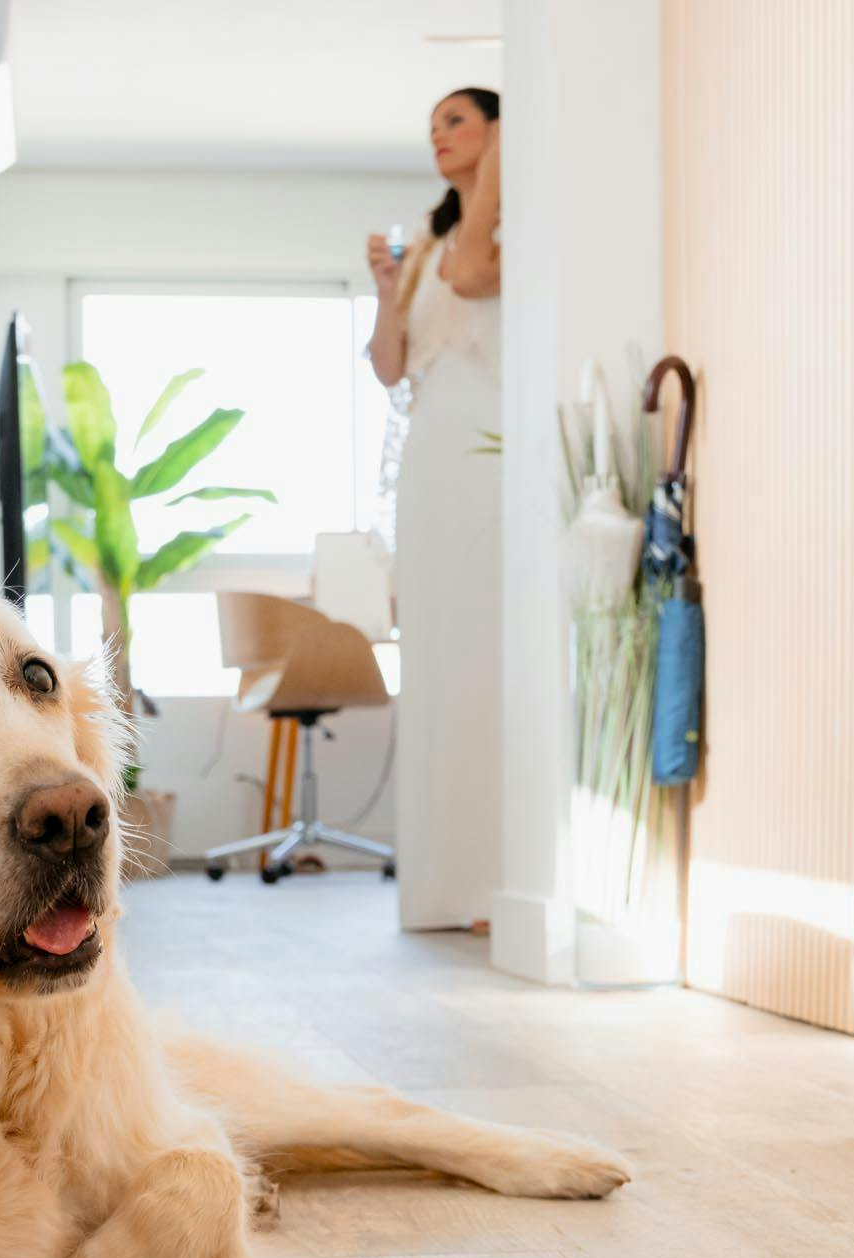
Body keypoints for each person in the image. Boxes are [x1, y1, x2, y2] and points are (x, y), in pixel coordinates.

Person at [369, 87, 501, 932]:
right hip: (431, 455)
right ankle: (445, 885)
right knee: (441, 651)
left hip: (492, 445)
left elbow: (473, 273)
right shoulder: (424, 239)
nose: (438, 138)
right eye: (431, 128)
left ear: (497, 128)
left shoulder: (498, 223)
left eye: (456, 121)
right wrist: (385, 287)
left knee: (488, 647)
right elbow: (389, 365)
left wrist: (500, 167)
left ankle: (496, 881)